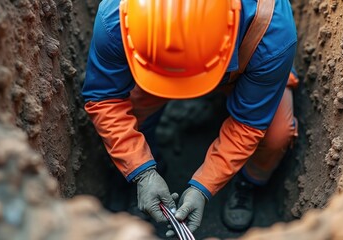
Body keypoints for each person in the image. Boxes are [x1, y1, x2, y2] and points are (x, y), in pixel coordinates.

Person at [82, 0, 298, 236]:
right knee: (129, 109)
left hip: (246, 66)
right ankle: (145, 163)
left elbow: (248, 123)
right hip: (157, 71)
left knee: (277, 134)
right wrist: (141, 170)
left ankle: (248, 181)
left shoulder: (272, 33)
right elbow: (105, 99)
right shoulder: (115, 18)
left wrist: (204, 186)